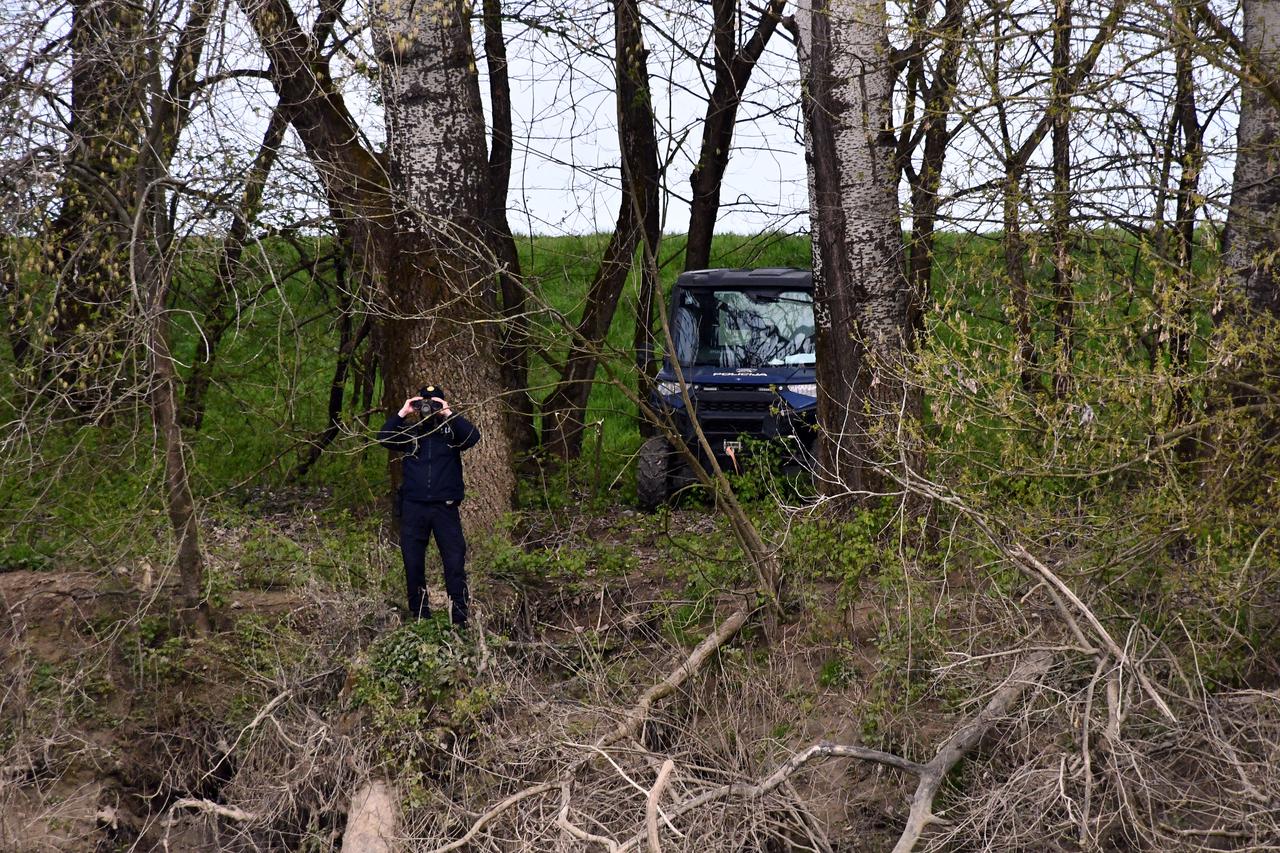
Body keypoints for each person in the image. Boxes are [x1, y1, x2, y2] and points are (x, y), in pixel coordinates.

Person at [377, 384, 480, 625]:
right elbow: (383, 438)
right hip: (414, 507)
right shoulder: (411, 433)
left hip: (445, 508)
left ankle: (460, 617)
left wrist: (448, 413)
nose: (428, 407)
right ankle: (420, 615)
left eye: (433, 403)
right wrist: (403, 412)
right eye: (424, 402)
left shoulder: (452, 434)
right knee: (413, 562)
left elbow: (473, 437)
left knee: (454, 561)